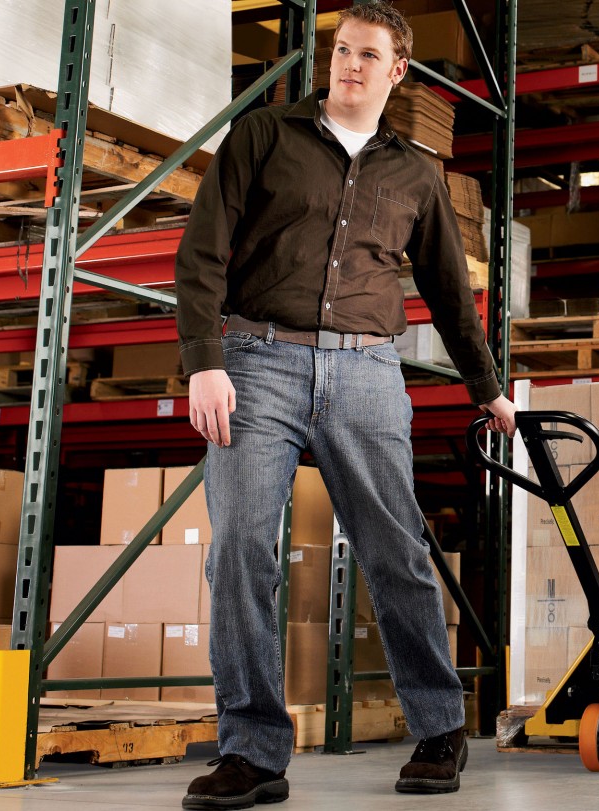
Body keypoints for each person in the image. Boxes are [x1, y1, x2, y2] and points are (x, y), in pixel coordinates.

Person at [174, 3, 516, 807]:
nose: (349, 64)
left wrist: (489, 387)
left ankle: (438, 729)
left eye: (368, 54)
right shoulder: (264, 136)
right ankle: (253, 752)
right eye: (341, 50)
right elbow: (202, 253)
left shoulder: (416, 173)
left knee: (396, 548)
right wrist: (203, 361)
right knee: (241, 551)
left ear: (399, 70)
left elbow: (449, 293)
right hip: (257, 364)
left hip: (366, 375)